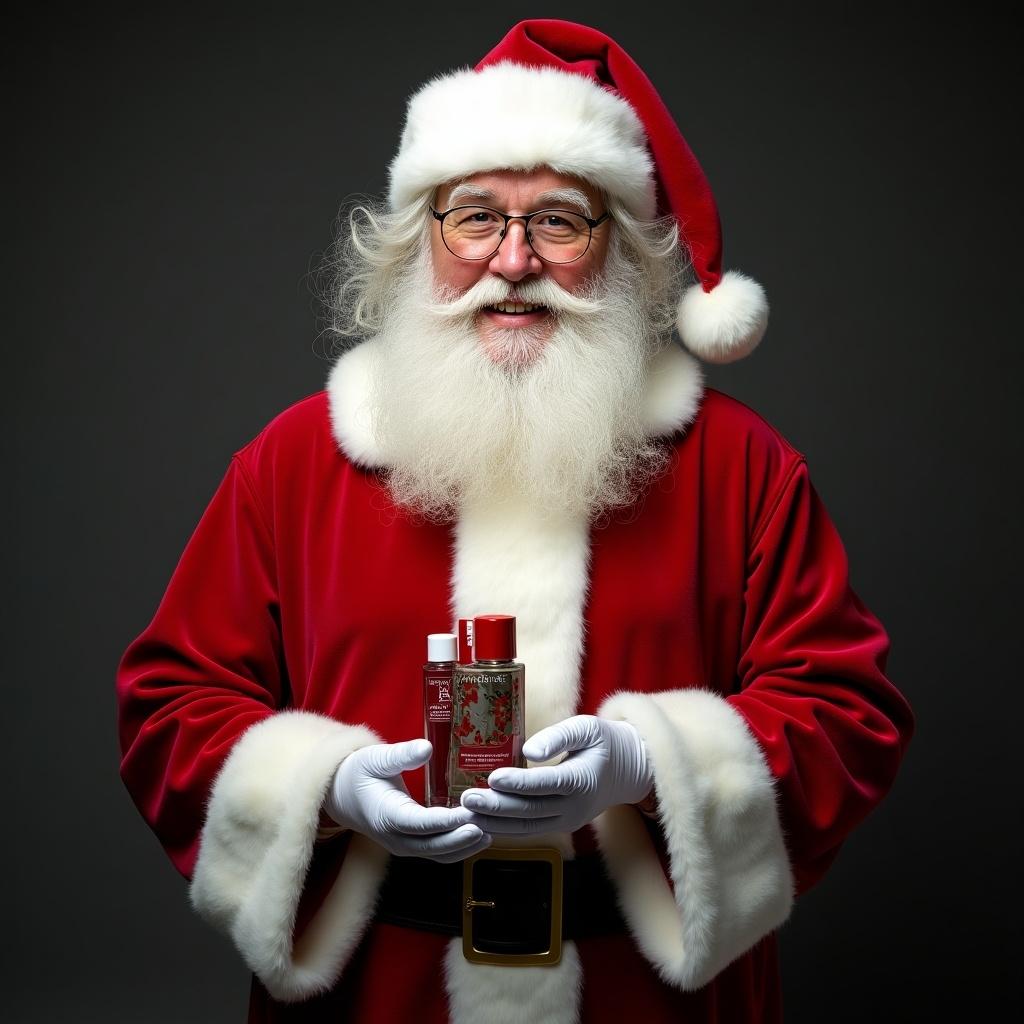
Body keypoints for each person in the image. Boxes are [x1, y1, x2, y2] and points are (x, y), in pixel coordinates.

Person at [116, 19, 914, 1024]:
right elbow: (170, 705)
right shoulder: (293, 458)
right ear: (420, 239)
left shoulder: (740, 464)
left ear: (620, 250)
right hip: (379, 991)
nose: (512, 259)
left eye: (560, 222)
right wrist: (325, 787)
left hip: (647, 994)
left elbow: (848, 715)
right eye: (475, 217)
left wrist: (653, 763)